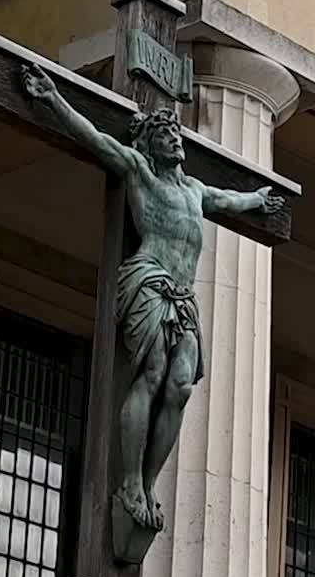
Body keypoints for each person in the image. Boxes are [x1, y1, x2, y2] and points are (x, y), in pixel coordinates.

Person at [21, 62, 284, 529]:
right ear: (151, 144)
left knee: (180, 386)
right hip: (148, 279)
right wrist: (52, 99)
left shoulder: (195, 191)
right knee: (153, 372)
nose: (177, 142)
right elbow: (95, 139)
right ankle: (129, 482)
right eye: (167, 136)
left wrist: (259, 201)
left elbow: (229, 200)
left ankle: (148, 479)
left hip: (183, 296)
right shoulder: (140, 171)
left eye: (178, 136)